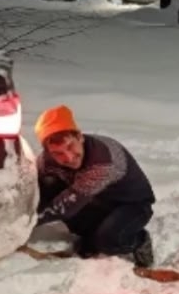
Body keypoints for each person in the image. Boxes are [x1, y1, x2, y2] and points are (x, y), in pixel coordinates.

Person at [33, 105, 156, 267]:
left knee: (109, 240)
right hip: (95, 201)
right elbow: (35, 188)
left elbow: (67, 205)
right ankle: (91, 237)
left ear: (80, 137)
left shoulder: (104, 161)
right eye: (58, 153)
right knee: (48, 186)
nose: (68, 157)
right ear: (48, 152)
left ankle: (139, 241)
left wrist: (26, 222)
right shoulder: (45, 161)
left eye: (70, 146)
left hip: (132, 205)